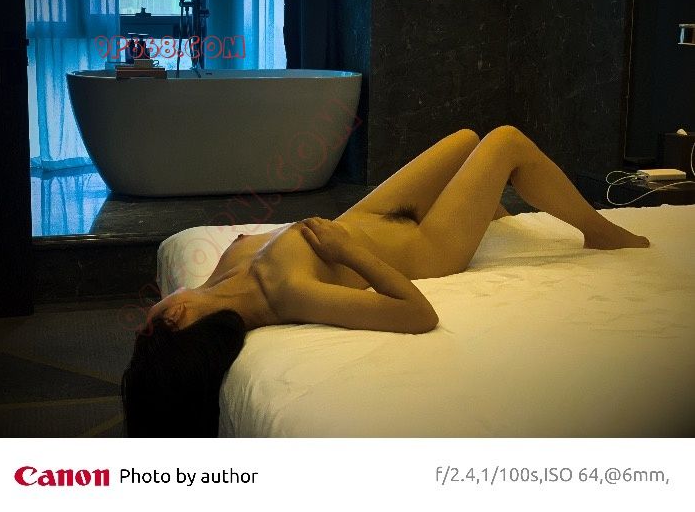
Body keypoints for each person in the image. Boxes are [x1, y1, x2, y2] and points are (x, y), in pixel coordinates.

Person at [122, 126, 649, 436]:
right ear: (176, 317)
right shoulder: (285, 294)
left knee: (467, 140)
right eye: (148, 328)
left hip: (374, 215)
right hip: (425, 247)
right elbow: (418, 314)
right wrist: (349, 252)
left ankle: (486, 209)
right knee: (506, 142)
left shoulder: (219, 281)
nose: (151, 311)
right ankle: (599, 232)